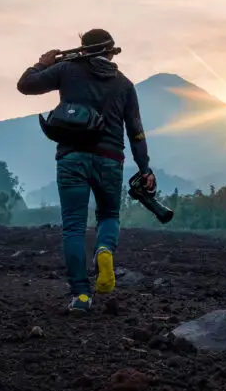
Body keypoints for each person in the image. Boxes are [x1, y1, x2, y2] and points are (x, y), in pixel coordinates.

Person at [17, 28, 156, 313]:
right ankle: (104, 249)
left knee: (73, 227)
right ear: (111, 50)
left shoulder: (66, 70)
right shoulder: (125, 85)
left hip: (71, 159)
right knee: (108, 215)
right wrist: (145, 168)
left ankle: (81, 295)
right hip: (110, 159)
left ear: (82, 49)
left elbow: (26, 85)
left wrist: (43, 63)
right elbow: (137, 132)